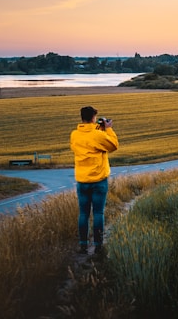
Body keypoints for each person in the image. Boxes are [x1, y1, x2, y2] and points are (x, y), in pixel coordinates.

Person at [70, 106, 119, 255]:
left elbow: (85, 141)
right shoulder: (98, 135)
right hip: (99, 179)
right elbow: (113, 145)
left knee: (83, 214)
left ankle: (83, 245)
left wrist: (98, 129)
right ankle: (98, 245)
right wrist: (108, 129)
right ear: (93, 117)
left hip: (82, 180)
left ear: (81, 117)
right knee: (98, 213)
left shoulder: (75, 135)